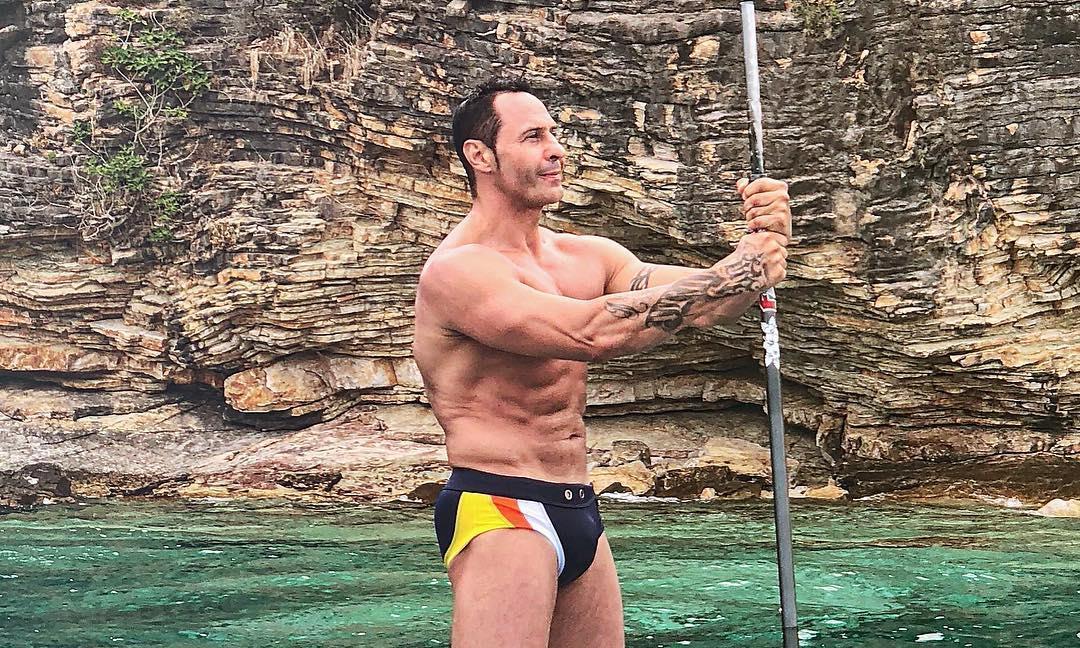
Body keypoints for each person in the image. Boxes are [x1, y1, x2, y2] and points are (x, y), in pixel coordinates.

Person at [411, 77, 792, 648]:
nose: (555, 150)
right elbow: (590, 332)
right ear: (480, 156)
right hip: (501, 505)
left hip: (578, 504)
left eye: (555, 134)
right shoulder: (459, 272)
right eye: (533, 137)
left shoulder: (589, 256)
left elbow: (708, 304)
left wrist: (767, 241)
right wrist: (739, 269)